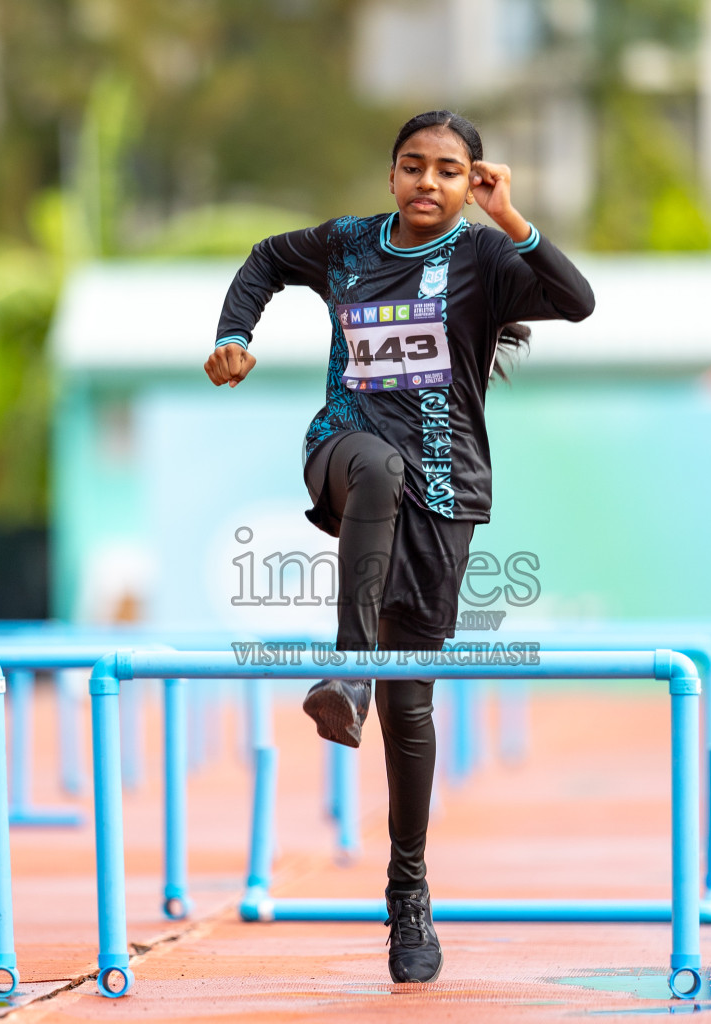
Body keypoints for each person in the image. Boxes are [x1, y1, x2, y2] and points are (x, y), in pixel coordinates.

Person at [205, 110, 594, 982]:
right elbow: (267, 256)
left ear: (473, 181)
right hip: (345, 449)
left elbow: (577, 300)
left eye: (449, 171)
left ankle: (408, 891)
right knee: (374, 466)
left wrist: (514, 220)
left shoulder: (487, 257)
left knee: (411, 700)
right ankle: (348, 670)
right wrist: (237, 334)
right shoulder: (345, 245)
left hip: (445, 490)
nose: (428, 182)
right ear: (390, 177)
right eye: (413, 166)